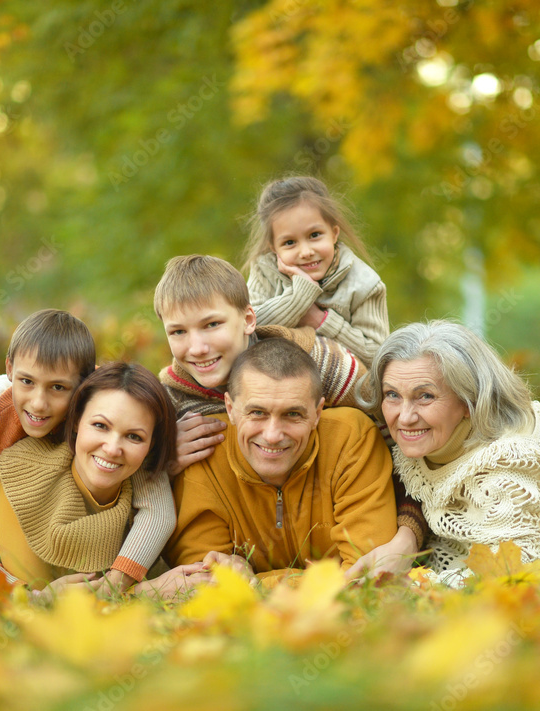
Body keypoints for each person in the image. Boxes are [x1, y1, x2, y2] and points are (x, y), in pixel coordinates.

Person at [152, 254, 427, 566]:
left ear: (248, 320)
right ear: (230, 406)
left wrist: (408, 529)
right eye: (178, 332)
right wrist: (163, 461)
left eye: (212, 325)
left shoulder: (324, 365)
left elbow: (402, 445)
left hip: (353, 500)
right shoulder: (170, 400)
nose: (198, 348)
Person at [349, 320, 540, 586]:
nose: (404, 417)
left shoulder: (510, 470)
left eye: (425, 396)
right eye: (392, 395)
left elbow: (512, 577)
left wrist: (416, 583)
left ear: (469, 402)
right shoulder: (424, 443)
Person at [139, 339, 398, 596]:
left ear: (317, 413)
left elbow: (366, 576)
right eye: (257, 413)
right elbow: (207, 586)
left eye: (293, 414)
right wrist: (327, 580)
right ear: (230, 408)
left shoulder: (351, 438)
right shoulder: (203, 452)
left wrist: (253, 584)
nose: (273, 435)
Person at [0, 310, 175, 593]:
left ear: (83, 385)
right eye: (27, 381)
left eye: (58, 387)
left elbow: (157, 509)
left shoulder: (109, 405)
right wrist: (33, 597)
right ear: (10, 369)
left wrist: (119, 580)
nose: (38, 404)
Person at [0, 362, 177, 599]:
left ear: (150, 446)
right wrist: (143, 593)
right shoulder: (24, 475)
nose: (112, 449)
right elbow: (39, 610)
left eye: (134, 436)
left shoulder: (146, 492)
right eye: (100, 426)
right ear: (76, 420)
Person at [243, 176, 389, 368]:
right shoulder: (264, 271)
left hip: (342, 382)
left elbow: (378, 355)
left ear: (334, 233)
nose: (306, 252)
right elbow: (246, 328)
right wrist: (300, 297)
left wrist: (319, 320)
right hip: (277, 376)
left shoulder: (364, 283)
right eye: (289, 242)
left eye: (314, 235)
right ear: (273, 247)